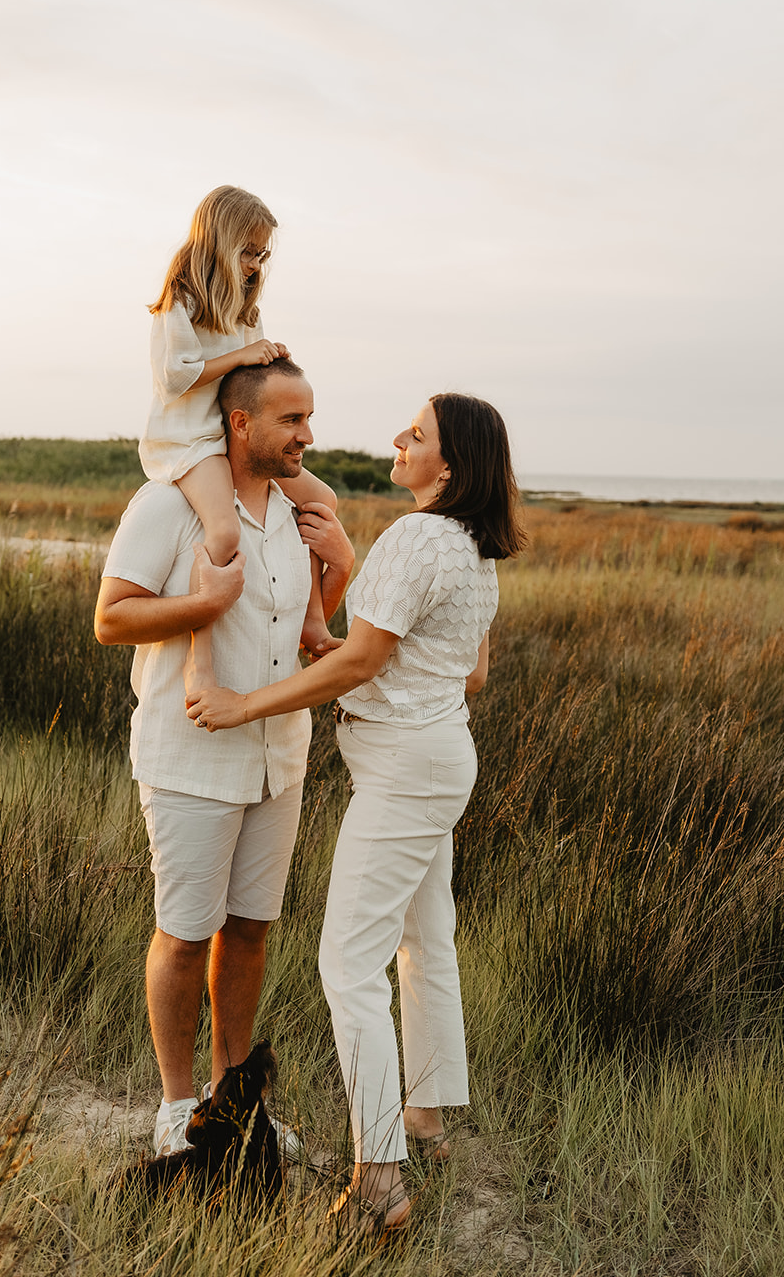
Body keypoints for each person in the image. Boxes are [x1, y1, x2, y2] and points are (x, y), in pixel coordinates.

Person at [187, 393, 527, 1235]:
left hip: (406, 771)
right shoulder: (472, 549)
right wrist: (343, 649)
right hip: (441, 755)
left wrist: (247, 705)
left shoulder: (415, 537)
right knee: (425, 940)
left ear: (447, 465)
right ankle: (426, 1121)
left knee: (347, 965)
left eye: (415, 434)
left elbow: (370, 660)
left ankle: (379, 1177)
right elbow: (461, 673)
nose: (398, 439)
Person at [95, 356, 354, 1158]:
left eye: (309, 418)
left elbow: (297, 633)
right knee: (183, 933)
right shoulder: (168, 506)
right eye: (291, 420)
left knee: (248, 932)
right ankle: (177, 1110)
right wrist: (201, 603)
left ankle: (232, 1101)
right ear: (240, 424)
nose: (307, 435)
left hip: (279, 758)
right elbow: (112, 618)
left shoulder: (297, 512)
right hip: (190, 760)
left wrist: (338, 567)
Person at [142, 185, 337, 694]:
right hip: (192, 438)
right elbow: (174, 377)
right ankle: (199, 661)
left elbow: (247, 383)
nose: (254, 265)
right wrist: (242, 359)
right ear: (220, 243)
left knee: (323, 500)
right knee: (225, 534)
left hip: (235, 433)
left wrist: (270, 360)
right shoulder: (179, 300)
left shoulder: (244, 310)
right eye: (247, 252)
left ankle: (312, 619)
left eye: (261, 254)